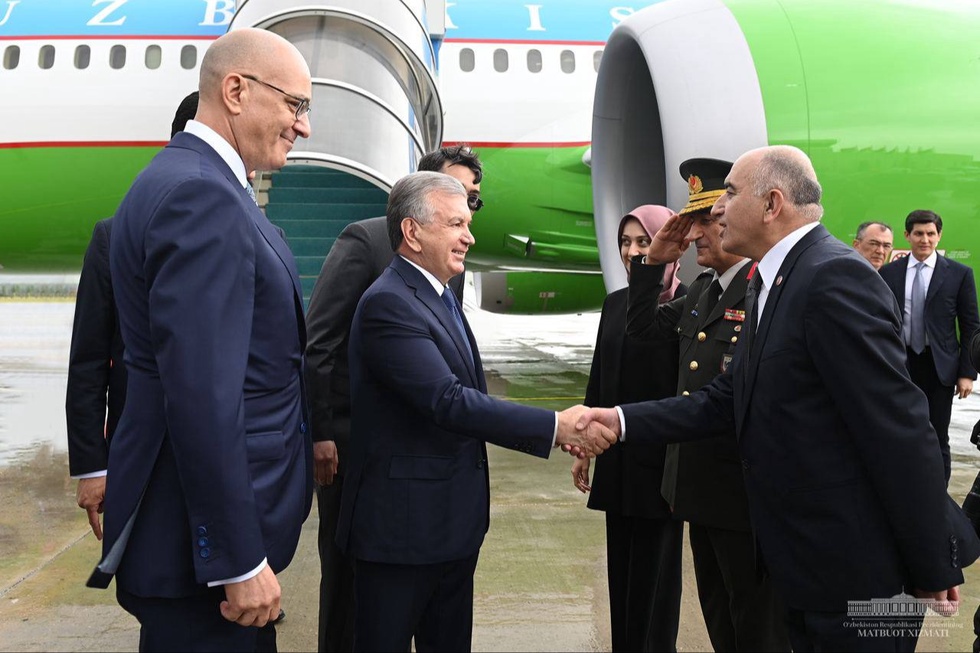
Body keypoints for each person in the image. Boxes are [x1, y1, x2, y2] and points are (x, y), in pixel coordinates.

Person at [575, 145, 977, 652]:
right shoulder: (774, 280)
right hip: (803, 561)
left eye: (730, 194)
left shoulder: (834, 276)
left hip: (852, 570)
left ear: (772, 204)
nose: (718, 209)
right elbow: (726, 397)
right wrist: (618, 420)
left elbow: (898, 427)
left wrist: (931, 558)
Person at [97, 29, 314, 652]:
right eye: (295, 105)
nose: (303, 127)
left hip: (193, 538)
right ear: (236, 91)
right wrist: (236, 558)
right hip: (204, 561)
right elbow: (202, 394)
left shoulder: (194, 181)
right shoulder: (202, 195)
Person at [336, 171, 615, 652]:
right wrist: (555, 426)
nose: (470, 237)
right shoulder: (390, 303)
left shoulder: (438, 294)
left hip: (449, 529)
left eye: (468, 223)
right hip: (402, 534)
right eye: (455, 224)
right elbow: (447, 400)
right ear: (412, 232)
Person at [304, 144, 483, 653]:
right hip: (353, 448)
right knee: (349, 588)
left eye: (472, 200)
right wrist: (321, 432)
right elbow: (320, 341)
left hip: (425, 461)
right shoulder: (365, 242)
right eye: (455, 196)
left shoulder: (446, 264)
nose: (467, 212)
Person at [625, 158, 788, 651]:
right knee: (720, 618)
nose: (694, 235)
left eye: (705, 222)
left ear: (731, 220)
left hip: (741, 495)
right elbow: (643, 331)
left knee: (755, 628)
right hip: (697, 488)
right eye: (690, 223)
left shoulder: (762, 290)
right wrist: (653, 263)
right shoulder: (703, 289)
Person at [66, 91, 199, 541]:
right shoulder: (112, 237)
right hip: (139, 455)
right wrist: (92, 466)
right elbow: (88, 360)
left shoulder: (255, 235)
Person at [570, 205, 686, 652]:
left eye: (644, 241)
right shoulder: (616, 302)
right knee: (621, 573)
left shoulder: (688, 302)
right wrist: (583, 445)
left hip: (660, 463)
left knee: (654, 581)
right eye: (625, 242)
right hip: (616, 458)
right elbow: (600, 377)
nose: (633, 251)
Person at [880, 210, 979, 483]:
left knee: (937, 434)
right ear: (907, 236)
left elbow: (971, 325)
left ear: (939, 236)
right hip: (900, 364)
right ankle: (902, 486)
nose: (925, 240)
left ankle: (938, 494)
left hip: (940, 367)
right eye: (919, 234)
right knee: (899, 430)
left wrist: (967, 373)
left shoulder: (959, 274)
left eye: (930, 234)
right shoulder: (889, 273)